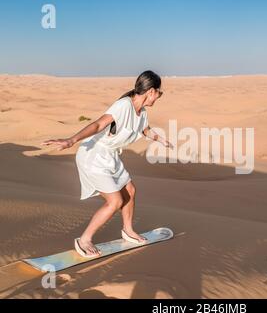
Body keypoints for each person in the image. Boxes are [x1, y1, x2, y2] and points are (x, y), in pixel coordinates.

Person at [42, 70, 173, 258]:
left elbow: (144, 130)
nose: (159, 97)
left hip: (110, 156)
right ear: (151, 91)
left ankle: (128, 230)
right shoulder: (123, 105)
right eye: (159, 93)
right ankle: (84, 240)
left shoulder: (142, 112)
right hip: (93, 156)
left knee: (130, 191)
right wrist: (71, 140)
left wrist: (161, 140)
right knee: (115, 201)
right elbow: (98, 125)